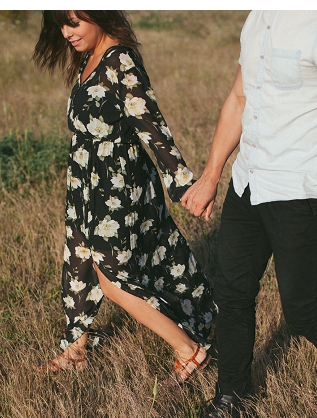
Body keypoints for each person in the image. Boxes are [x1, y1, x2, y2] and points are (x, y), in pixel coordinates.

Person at [179, 11, 317, 418]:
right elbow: (240, 99)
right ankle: (231, 399)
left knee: (301, 310)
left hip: (302, 188)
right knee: (233, 292)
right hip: (248, 182)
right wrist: (211, 176)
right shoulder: (261, 14)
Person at [32, 11, 217, 385]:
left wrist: (182, 183)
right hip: (86, 181)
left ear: (98, 15)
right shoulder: (88, 58)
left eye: (75, 23)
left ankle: (189, 351)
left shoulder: (121, 59)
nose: (68, 33)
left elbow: (151, 124)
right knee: (79, 262)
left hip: (118, 185)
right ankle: (76, 350)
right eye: (62, 25)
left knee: (112, 276)